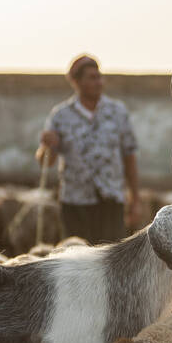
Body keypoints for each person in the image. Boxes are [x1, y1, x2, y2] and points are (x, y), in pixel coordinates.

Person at [36, 55, 140, 244]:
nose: (99, 82)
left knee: (112, 260)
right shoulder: (60, 115)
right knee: (77, 259)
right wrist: (46, 145)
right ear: (76, 82)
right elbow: (46, 162)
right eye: (92, 78)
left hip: (111, 199)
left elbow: (129, 155)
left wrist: (134, 199)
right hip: (75, 203)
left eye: (100, 77)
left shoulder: (117, 112)